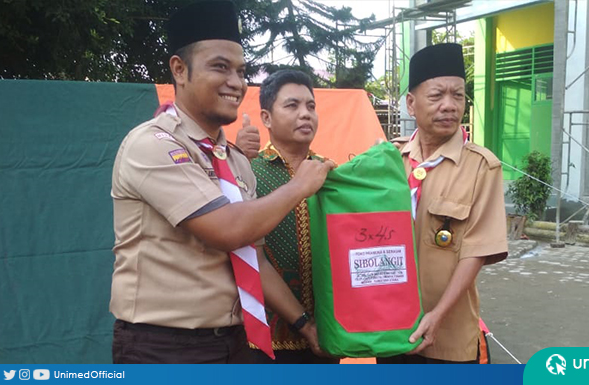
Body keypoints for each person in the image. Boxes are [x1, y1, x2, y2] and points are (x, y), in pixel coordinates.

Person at [109, 1, 334, 364]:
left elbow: (252, 257)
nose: (236, 82)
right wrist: (298, 186)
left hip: (235, 342)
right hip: (164, 347)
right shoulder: (152, 144)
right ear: (179, 70)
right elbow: (227, 230)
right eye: (220, 67)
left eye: (241, 71)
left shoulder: (235, 161)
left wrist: (304, 324)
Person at [377, 43, 508, 364]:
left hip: (449, 337)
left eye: (458, 95)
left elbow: (475, 253)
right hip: (391, 332)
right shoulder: (389, 162)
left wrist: (436, 315)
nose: (449, 105)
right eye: (437, 96)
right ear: (411, 103)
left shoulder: (481, 166)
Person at [242, 70, 339, 364]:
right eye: (292, 105)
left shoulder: (332, 174)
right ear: (266, 118)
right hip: (264, 342)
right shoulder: (248, 173)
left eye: (311, 106)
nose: (305, 114)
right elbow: (249, 259)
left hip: (328, 337)